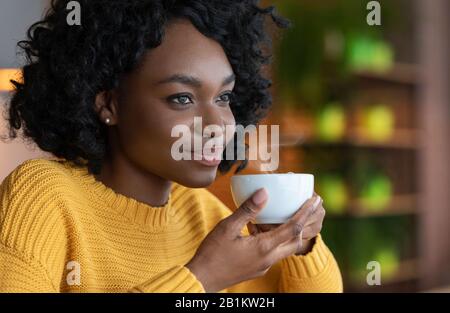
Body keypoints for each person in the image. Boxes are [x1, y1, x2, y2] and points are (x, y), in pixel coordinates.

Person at [0, 0, 343, 293]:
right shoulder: (43, 197)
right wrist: (201, 278)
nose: (218, 125)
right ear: (109, 105)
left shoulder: (205, 215)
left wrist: (301, 244)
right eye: (182, 98)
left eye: (223, 97)